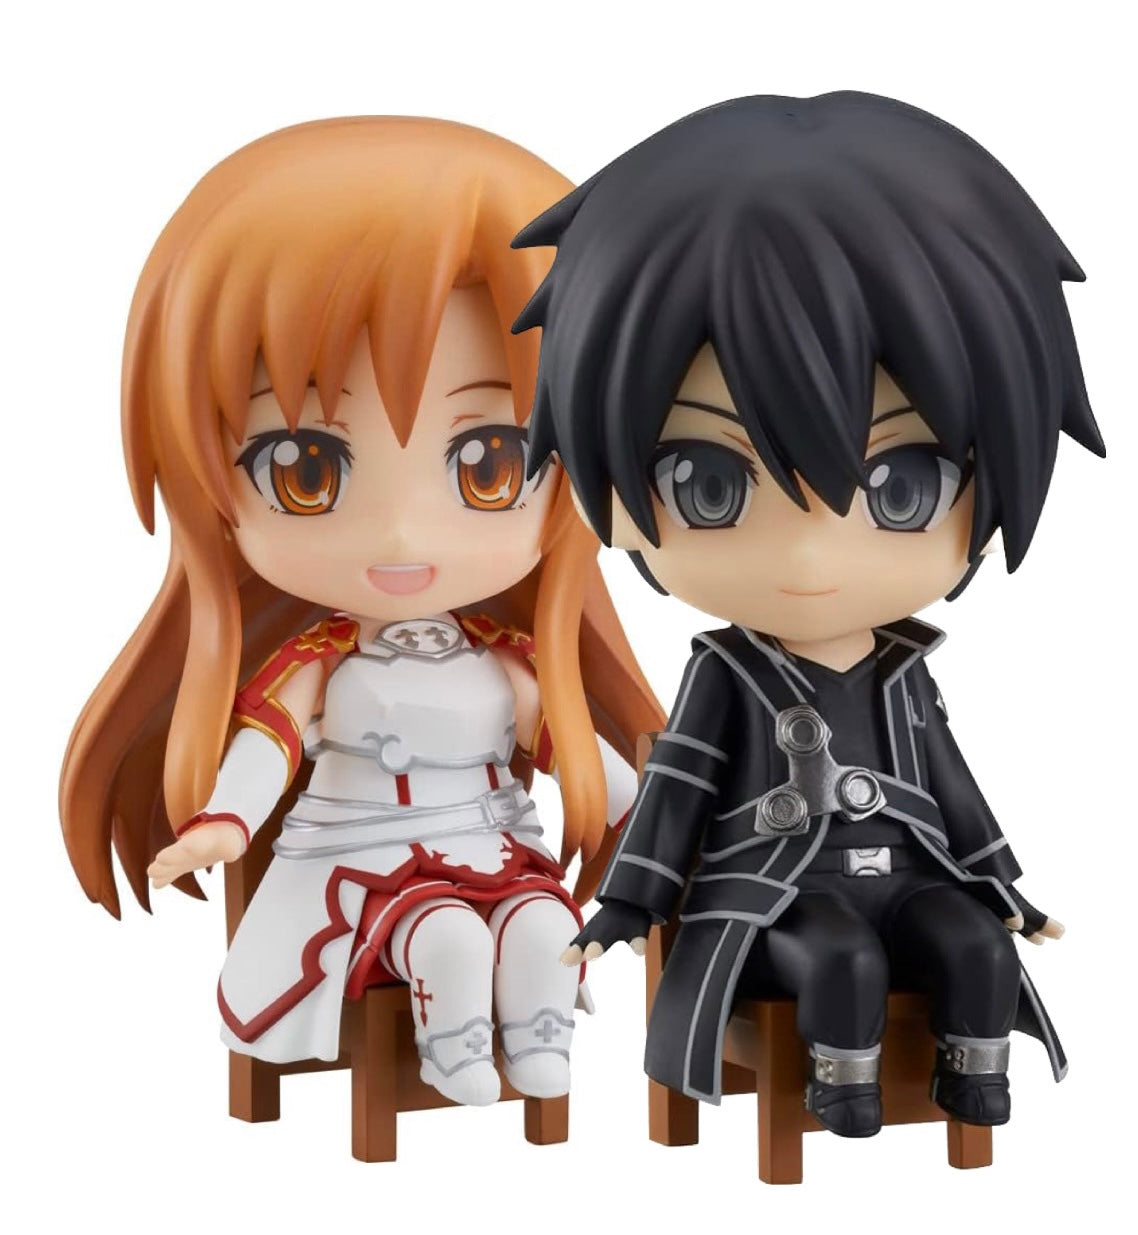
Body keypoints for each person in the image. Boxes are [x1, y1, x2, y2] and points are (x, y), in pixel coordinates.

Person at [513, 92, 1101, 1136]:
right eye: (708, 484)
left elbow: (950, 782)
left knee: (975, 945)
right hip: (778, 892)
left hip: (912, 873)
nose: (812, 557)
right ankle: (840, 1082)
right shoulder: (728, 671)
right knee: (843, 958)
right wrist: (632, 903)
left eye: (903, 486)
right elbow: (680, 782)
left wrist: (1004, 885)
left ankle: (974, 1077)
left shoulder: (906, 669)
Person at [60, 117, 661, 1108]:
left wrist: (653, 813)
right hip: (359, 859)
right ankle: (453, 1050)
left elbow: (570, 746)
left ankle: (539, 1045)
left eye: (490, 463)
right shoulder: (320, 663)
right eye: (305, 469)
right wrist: (225, 823)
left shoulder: (508, 658)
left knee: (549, 925)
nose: (399, 532)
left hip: (492, 848)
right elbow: (266, 746)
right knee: (447, 938)